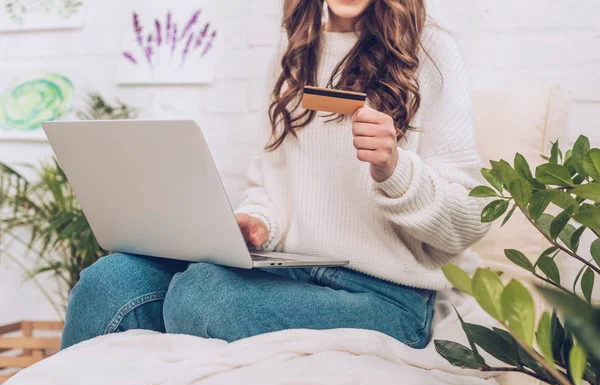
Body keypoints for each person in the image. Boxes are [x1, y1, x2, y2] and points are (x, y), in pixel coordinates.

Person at [61, 0, 489, 350]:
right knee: (108, 280)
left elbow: (469, 218)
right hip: (291, 272)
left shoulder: (430, 51)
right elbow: (271, 186)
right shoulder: (297, 52)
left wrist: (396, 170)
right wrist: (256, 222)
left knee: (202, 294)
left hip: (386, 297)